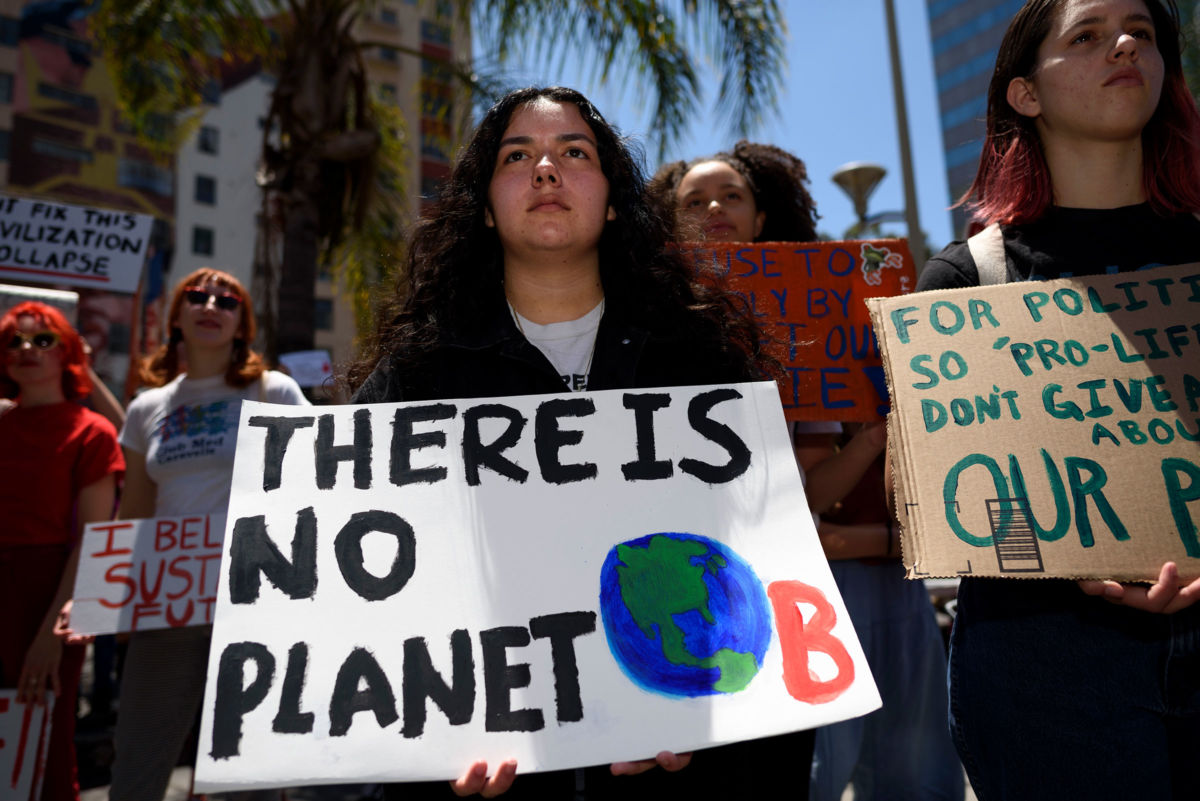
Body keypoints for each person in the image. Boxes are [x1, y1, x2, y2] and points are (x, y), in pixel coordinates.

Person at [349, 86, 804, 800]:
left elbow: (754, 557)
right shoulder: (415, 377)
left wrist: (692, 698)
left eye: (574, 153)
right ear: (486, 207)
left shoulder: (703, 364)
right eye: (517, 155)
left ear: (616, 199)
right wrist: (443, 723)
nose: (545, 171)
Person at [917, 0, 1200, 797]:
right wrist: (1068, 553)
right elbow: (959, 501)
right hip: (1045, 667)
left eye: (1142, 33)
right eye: (1087, 35)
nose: (1124, 44)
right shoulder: (965, 281)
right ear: (1024, 95)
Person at [653, 143, 963, 799]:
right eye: (695, 200)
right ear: (668, 222)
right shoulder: (649, 332)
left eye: (731, 195)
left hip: (806, 589)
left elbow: (814, 487)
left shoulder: (804, 329)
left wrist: (876, 432)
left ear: (761, 218)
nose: (714, 208)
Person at [110, 268, 309, 801]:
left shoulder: (276, 390)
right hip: (167, 607)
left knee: (249, 779)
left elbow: (312, 492)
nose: (210, 306)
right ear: (175, 317)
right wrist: (103, 601)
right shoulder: (146, 408)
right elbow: (134, 511)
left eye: (227, 301)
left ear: (243, 323)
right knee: (136, 767)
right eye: (196, 297)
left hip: (255, 606)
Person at [0, 301, 125, 801]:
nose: (27, 349)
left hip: (51, 593)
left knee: (44, 742)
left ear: (69, 353)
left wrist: (55, 632)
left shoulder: (91, 431)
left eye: (43, 339)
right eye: (15, 340)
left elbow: (93, 539)